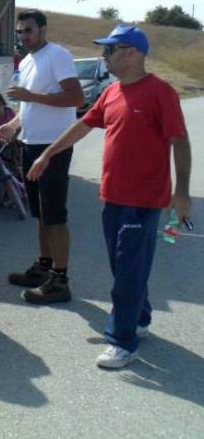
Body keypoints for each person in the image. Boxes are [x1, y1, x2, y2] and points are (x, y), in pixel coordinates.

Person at [28, 24, 191, 368]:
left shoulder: (160, 92)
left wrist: (182, 193)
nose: (103, 56)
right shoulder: (112, 92)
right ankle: (140, 317)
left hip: (144, 200)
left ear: (132, 53)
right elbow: (83, 125)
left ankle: (122, 340)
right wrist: (48, 154)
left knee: (128, 271)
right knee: (123, 267)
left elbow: (180, 141)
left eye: (109, 50)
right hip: (112, 196)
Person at [0, 9, 84, 304]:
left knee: (54, 214)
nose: (23, 36)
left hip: (54, 147)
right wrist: (12, 125)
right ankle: (44, 267)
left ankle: (60, 280)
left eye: (28, 30)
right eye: (19, 31)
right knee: (41, 213)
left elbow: (76, 98)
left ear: (43, 30)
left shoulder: (57, 55)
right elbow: (27, 107)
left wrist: (30, 97)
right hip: (30, 144)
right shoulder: (27, 61)